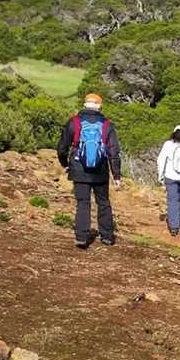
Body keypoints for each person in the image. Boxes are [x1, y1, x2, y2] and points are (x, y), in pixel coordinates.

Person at [57, 93, 122, 248]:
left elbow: (62, 148)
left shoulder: (74, 122)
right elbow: (114, 152)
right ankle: (106, 236)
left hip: (78, 169)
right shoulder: (107, 125)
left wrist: (65, 164)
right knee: (103, 202)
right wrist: (117, 175)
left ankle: (81, 237)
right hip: (100, 171)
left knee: (83, 203)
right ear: (99, 106)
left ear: (85, 104)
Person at [156, 125, 180, 236]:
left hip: (170, 177)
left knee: (172, 201)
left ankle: (174, 227)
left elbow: (161, 160)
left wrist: (160, 175)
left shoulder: (168, 145)